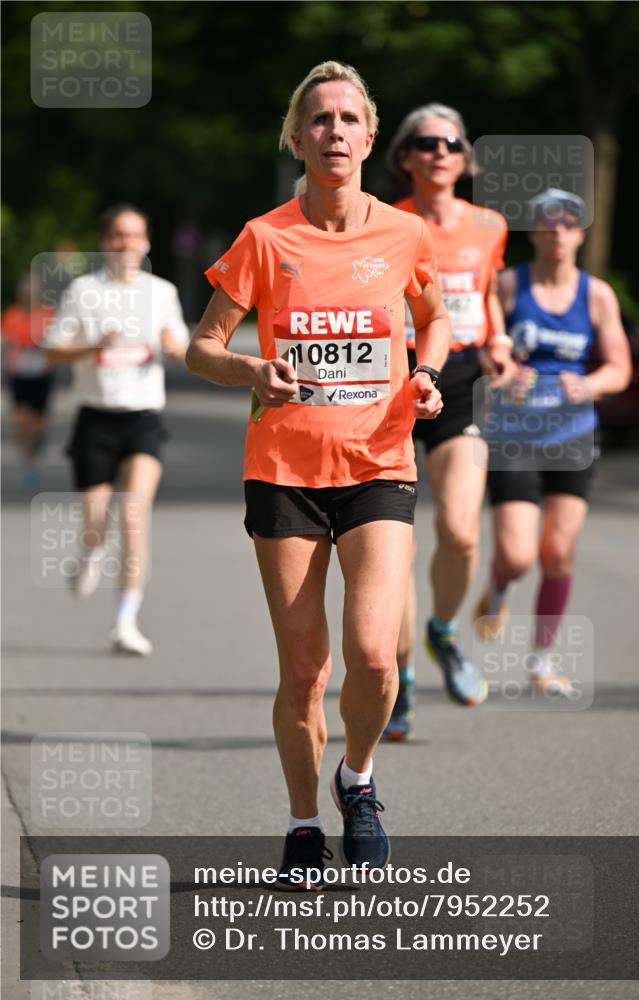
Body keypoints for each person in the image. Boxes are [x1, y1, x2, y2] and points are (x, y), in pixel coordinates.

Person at [186, 61, 449, 885]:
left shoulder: (405, 234)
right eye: (319, 120)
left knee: (374, 657)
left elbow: (433, 318)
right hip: (284, 470)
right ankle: (303, 826)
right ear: (296, 139)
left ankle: (357, 781)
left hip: (379, 459)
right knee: (304, 671)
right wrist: (252, 371)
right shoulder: (265, 238)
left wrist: (428, 374)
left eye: (347, 119)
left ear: (370, 138)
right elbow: (201, 347)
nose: (334, 132)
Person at [382, 104, 515, 740]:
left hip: (460, 380)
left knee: (461, 533)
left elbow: (484, 291)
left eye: (452, 143)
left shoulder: (489, 224)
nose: (440, 151)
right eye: (426, 143)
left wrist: (501, 339)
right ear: (405, 156)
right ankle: (400, 679)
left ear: (465, 159)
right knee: (396, 548)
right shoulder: (385, 224)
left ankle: (442, 632)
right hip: (388, 382)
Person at [473, 188, 632, 694]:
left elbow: (619, 368)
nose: (558, 232)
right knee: (519, 555)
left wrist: (589, 384)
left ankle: (541, 664)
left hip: (572, 435)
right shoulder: (506, 285)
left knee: (558, 553)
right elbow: (480, 347)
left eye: (568, 223)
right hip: (513, 434)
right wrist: (501, 368)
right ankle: (499, 585)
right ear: (534, 231)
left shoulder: (598, 295)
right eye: (548, 223)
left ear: (580, 233)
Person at [44, 204, 189, 655]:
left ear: (146, 243)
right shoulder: (84, 292)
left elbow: (184, 348)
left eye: (136, 236)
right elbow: (53, 352)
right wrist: (93, 345)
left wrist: (173, 348)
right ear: (106, 242)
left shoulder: (161, 292)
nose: (127, 244)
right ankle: (91, 550)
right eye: (118, 236)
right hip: (96, 417)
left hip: (143, 416)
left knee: (133, 516)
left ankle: (125, 621)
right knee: (96, 522)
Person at [2, 274, 55, 490]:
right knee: (21, 419)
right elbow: (4, 340)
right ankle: (28, 463)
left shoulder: (47, 314)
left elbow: (56, 339)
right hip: (18, 372)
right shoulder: (11, 315)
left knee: (39, 421)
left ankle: (40, 439)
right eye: (25, 291)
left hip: (42, 372)